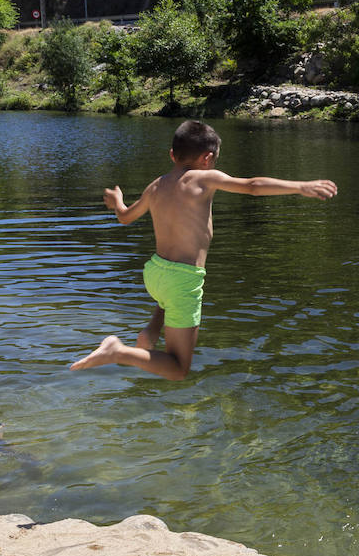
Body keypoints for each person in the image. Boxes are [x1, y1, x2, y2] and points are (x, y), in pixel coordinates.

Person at [71, 120, 337, 381]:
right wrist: (300, 187)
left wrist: (118, 201)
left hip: (154, 273)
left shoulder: (155, 186)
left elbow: (125, 217)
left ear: (172, 154)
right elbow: (253, 186)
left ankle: (149, 333)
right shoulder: (205, 178)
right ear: (207, 158)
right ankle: (118, 352)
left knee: (168, 296)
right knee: (178, 368)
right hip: (182, 278)